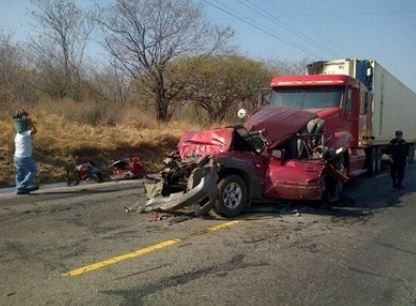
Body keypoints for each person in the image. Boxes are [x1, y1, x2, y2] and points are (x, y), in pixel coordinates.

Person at [13, 110, 39, 194]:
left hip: (17, 157)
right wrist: (31, 123)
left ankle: (19, 189)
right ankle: (22, 186)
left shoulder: (18, 134)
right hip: (24, 157)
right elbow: (34, 130)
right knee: (33, 171)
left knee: (20, 173)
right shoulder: (25, 133)